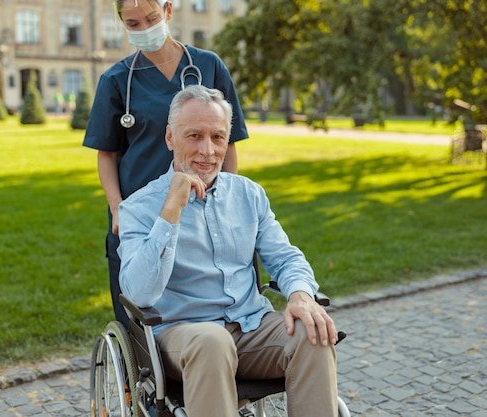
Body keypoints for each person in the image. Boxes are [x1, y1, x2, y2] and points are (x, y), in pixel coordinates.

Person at [117, 85, 339, 417]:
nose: (207, 150)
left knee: (313, 332)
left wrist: (300, 293)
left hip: (250, 326)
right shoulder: (138, 207)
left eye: (217, 137)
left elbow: (285, 256)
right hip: (183, 333)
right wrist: (171, 212)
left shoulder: (249, 195)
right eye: (194, 136)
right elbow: (138, 292)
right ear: (170, 138)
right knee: (212, 341)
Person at [82, 0, 248, 326]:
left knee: (213, 308)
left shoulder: (208, 67)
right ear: (122, 24)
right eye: (133, 24)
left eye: (151, 18)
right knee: (142, 314)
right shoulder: (116, 80)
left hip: (202, 209)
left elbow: (226, 142)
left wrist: (229, 198)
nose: (144, 29)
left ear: (168, 10)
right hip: (141, 216)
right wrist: (117, 209)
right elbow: (107, 154)